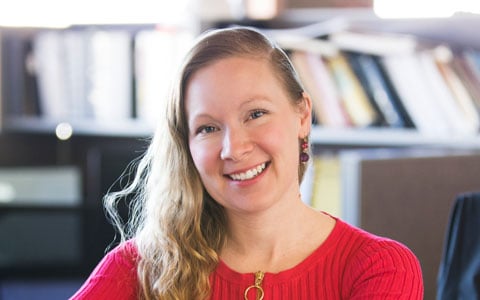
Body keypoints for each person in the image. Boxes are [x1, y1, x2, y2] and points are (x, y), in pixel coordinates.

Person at [70, 26, 424, 300]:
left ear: (302, 115)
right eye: (208, 127)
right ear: (187, 146)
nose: (233, 148)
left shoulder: (377, 268)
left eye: (255, 114)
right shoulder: (141, 267)